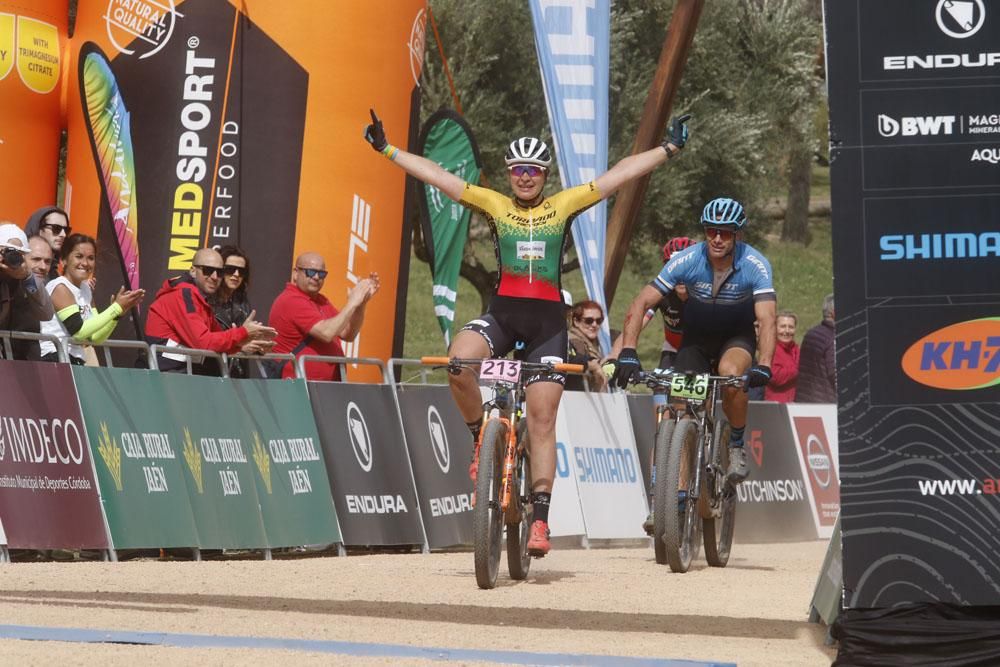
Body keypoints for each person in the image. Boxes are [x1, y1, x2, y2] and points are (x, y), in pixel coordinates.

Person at [364, 107, 691, 556]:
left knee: (541, 419)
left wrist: (667, 150)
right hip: (503, 315)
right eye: (518, 170)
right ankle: (482, 433)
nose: (524, 177)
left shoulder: (564, 205)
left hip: (547, 326)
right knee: (459, 363)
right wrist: (387, 150)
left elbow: (618, 176)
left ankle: (540, 521)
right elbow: (438, 177)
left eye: (533, 171)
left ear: (544, 175)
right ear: (508, 173)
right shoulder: (494, 204)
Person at [612, 197, 776, 487]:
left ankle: (736, 444)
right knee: (679, 408)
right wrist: (627, 351)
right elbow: (641, 302)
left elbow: (766, 319)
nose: (716, 238)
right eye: (711, 230)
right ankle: (675, 490)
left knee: (730, 373)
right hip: (696, 341)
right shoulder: (687, 260)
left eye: (724, 232)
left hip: (735, 338)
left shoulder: (755, 264)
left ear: (737, 234)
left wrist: (764, 364)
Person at [145, 248, 276, 374]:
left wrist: (246, 343)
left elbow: (217, 339)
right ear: (193, 271)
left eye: (220, 272)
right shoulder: (183, 294)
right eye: (208, 270)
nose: (214, 277)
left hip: (180, 374)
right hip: (163, 375)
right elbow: (203, 342)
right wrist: (243, 332)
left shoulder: (200, 299)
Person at [268, 252, 379, 380]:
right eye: (310, 272)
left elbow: (348, 334)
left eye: (321, 274)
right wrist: (353, 302)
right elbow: (327, 333)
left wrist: (361, 304)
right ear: (295, 273)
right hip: (296, 387)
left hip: (325, 389)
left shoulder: (321, 301)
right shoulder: (291, 300)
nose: (316, 277)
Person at [39, 234, 144, 365]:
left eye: (91, 258)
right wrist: (116, 308)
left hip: (74, 359)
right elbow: (79, 333)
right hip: (54, 358)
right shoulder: (60, 287)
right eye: (79, 256)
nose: (85, 263)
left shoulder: (86, 289)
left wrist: (117, 315)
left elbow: (95, 338)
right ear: (64, 260)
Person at [0, 224, 54, 360]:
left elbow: (46, 314)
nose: (11, 258)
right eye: (6, 252)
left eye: (17, 254)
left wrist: (28, 278)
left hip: (24, 361)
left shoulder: (27, 279)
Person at [210, 246, 254, 378]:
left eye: (241, 271)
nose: (236, 274)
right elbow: (205, 341)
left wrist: (259, 346)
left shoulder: (242, 302)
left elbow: (247, 340)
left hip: (237, 376)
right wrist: (239, 346)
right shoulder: (205, 300)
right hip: (210, 375)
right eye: (230, 269)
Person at [796, 293, 836, 403]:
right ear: (834, 313)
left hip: (805, 398)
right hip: (826, 403)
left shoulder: (811, 334)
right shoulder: (833, 338)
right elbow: (836, 373)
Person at [565, 300, 608, 392]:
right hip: (575, 398)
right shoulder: (573, 341)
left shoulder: (597, 343)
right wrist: (594, 365)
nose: (594, 325)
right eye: (589, 321)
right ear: (576, 321)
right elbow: (574, 360)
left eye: (599, 320)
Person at [24, 206, 70, 281]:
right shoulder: (17, 270)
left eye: (66, 230)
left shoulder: (54, 274)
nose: (63, 234)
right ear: (39, 229)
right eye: (56, 228)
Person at [765, 311, 799, 402]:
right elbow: (776, 378)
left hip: (796, 405)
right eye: (783, 326)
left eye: (791, 327)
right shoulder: (769, 350)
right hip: (776, 405)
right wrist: (799, 367)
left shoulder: (797, 350)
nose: (787, 331)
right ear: (775, 328)